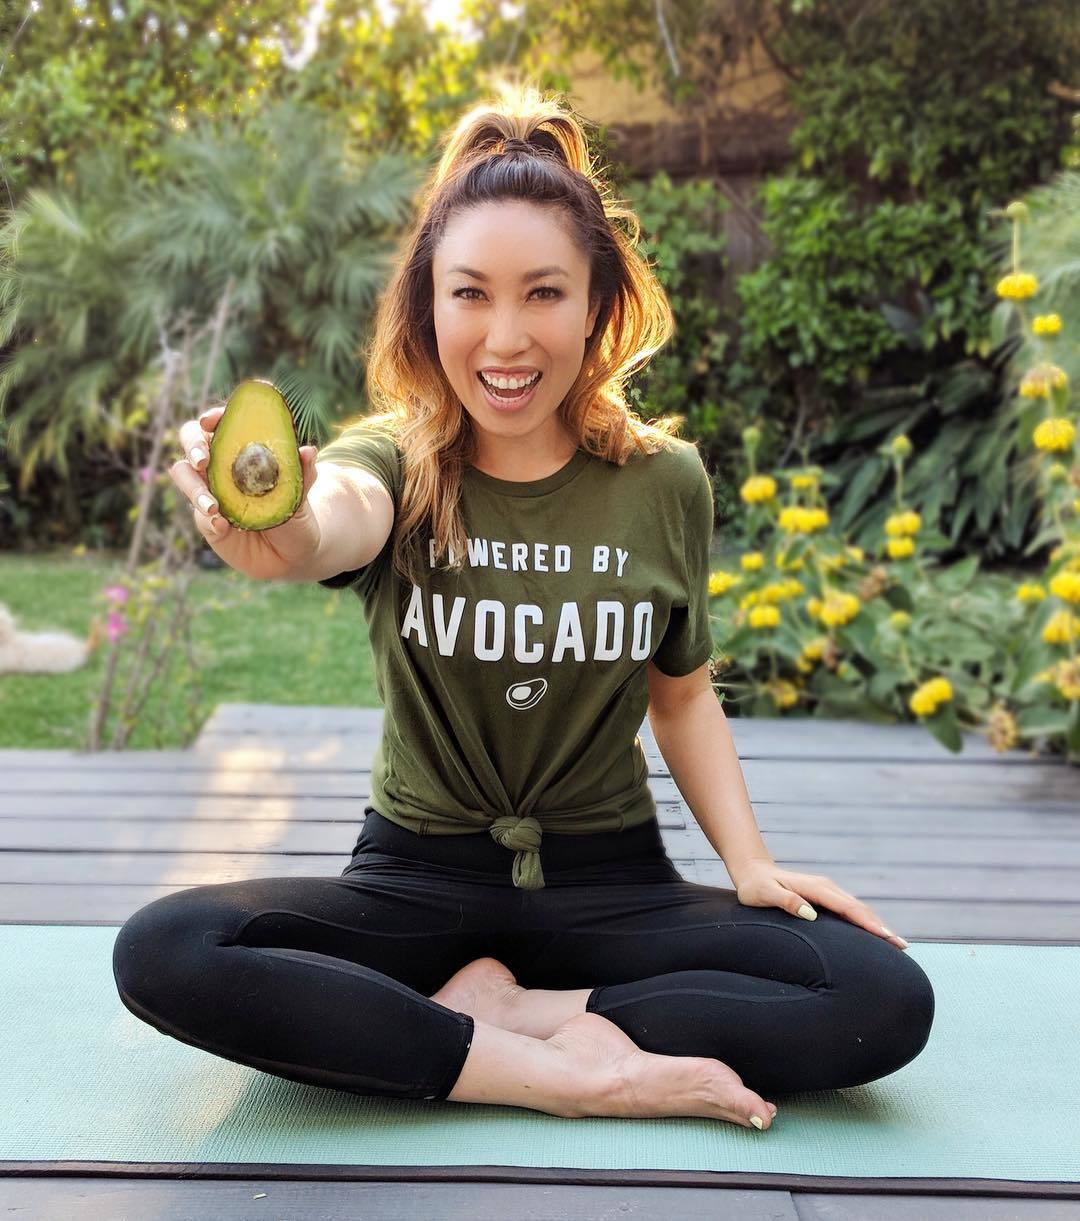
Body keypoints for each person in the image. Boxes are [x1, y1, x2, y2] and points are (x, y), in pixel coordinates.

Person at [113, 81, 935, 1130]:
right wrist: (286, 530)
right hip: (415, 880)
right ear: (430, 306)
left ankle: (517, 1015)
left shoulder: (664, 481)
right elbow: (333, 520)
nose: (506, 339)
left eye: (543, 293)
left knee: (880, 994)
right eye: (471, 294)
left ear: (596, 306)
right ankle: (565, 1074)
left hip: (612, 885)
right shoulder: (396, 461)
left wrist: (751, 865)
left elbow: (681, 697)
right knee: (169, 949)